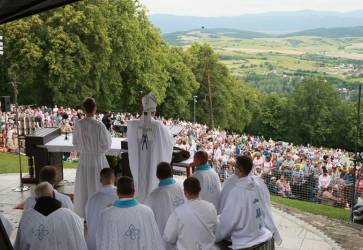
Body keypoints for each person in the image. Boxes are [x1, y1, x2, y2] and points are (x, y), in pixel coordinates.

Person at [216, 155, 281, 250]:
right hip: (258, 230)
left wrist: (215, 236)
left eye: (235, 166)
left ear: (238, 169)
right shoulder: (257, 185)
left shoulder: (237, 191)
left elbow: (228, 219)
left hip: (244, 237)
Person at [127, 92, 174, 202]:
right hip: (153, 162)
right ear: (154, 111)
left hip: (139, 163)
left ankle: (140, 199)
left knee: (140, 182)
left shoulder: (133, 125)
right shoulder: (158, 125)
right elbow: (169, 141)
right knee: (151, 179)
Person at [96, 177, 164, 250]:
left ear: (117, 192)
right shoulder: (147, 211)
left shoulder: (106, 214)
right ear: (134, 192)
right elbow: (154, 241)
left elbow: (102, 241)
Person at [14, 182, 87, 250]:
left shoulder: (26, 218)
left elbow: (20, 245)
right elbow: (79, 242)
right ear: (54, 195)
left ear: (36, 199)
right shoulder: (70, 216)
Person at [73, 97, 112, 217]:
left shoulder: (78, 124)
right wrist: (97, 150)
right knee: (96, 184)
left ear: (84, 109)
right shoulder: (99, 125)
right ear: (94, 108)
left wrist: (85, 150)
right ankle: (97, 211)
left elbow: (76, 144)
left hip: (85, 159)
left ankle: (86, 213)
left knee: (84, 186)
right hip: (97, 159)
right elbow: (106, 144)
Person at [163, 177, 218, 250]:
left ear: (185, 192)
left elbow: (168, 237)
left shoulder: (179, 212)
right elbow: (215, 228)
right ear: (200, 190)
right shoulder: (211, 207)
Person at [145, 162, 185, 249]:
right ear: (172, 173)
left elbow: (147, 218)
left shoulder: (153, 195)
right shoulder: (182, 189)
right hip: (183, 237)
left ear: (157, 175)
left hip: (164, 240)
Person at [85, 168, 118, 250]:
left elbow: (87, 221)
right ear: (114, 179)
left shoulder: (92, 199)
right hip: (113, 241)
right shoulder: (120, 196)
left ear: (100, 180)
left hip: (94, 241)